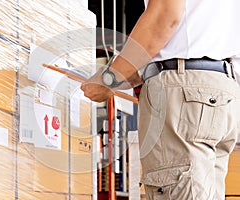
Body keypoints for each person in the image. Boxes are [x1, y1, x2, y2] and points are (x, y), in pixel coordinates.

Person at [81, 0, 240, 199]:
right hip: (221, 89)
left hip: (185, 92)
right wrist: (126, 71)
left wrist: (110, 78)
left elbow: (164, 16)